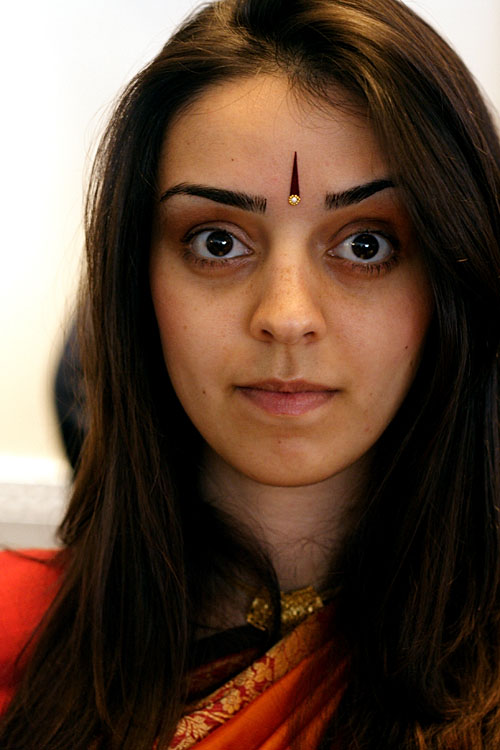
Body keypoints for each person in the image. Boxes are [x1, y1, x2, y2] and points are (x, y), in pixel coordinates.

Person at [1, 0, 500, 747]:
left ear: (456, 279)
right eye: (217, 241)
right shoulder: (16, 634)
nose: (287, 315)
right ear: (138, 283)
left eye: (365, 245)